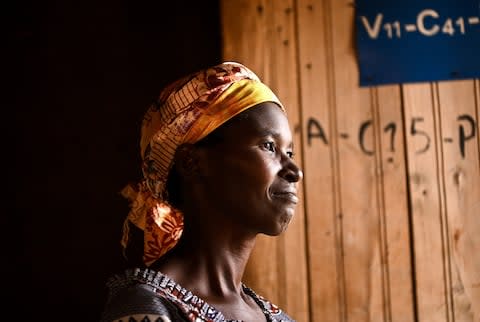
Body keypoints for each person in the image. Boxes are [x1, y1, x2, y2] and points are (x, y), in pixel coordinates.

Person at [100, 61, 303, 322]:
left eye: (289, 152)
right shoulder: (144, 308)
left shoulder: (276, 317)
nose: (295, 171)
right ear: (192, 163)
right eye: (268, 146)